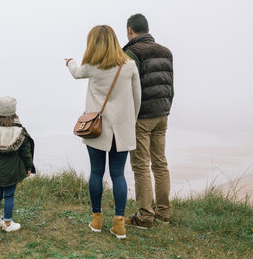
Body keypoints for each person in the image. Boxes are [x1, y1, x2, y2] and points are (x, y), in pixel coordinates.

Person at [65, 25, 141, 239]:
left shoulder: (91, 66)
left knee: (96, 172)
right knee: (118, 174)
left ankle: (97, 220)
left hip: (96, 130)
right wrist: (130, 123)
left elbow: (76, 72)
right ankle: (119, 224)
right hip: (122, 129)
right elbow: (137, 98)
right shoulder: (129, 65)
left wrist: (70, 62)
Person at [123, 13, 174, 228]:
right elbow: (170, 85)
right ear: (148, 28)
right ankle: (163, 211)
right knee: (160, 162)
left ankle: (144, 216)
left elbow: (128, 87)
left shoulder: (130, 52)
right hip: (162, 114)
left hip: (141, 116)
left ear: (129, 31)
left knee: (141, 166)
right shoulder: (166, 51)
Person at [0, 96, 35, 232]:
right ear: (14, 113)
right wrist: (29, 167)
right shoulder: (19, 131)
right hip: (12, 171)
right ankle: (8, 223)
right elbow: (26, 152)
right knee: (9, 195)